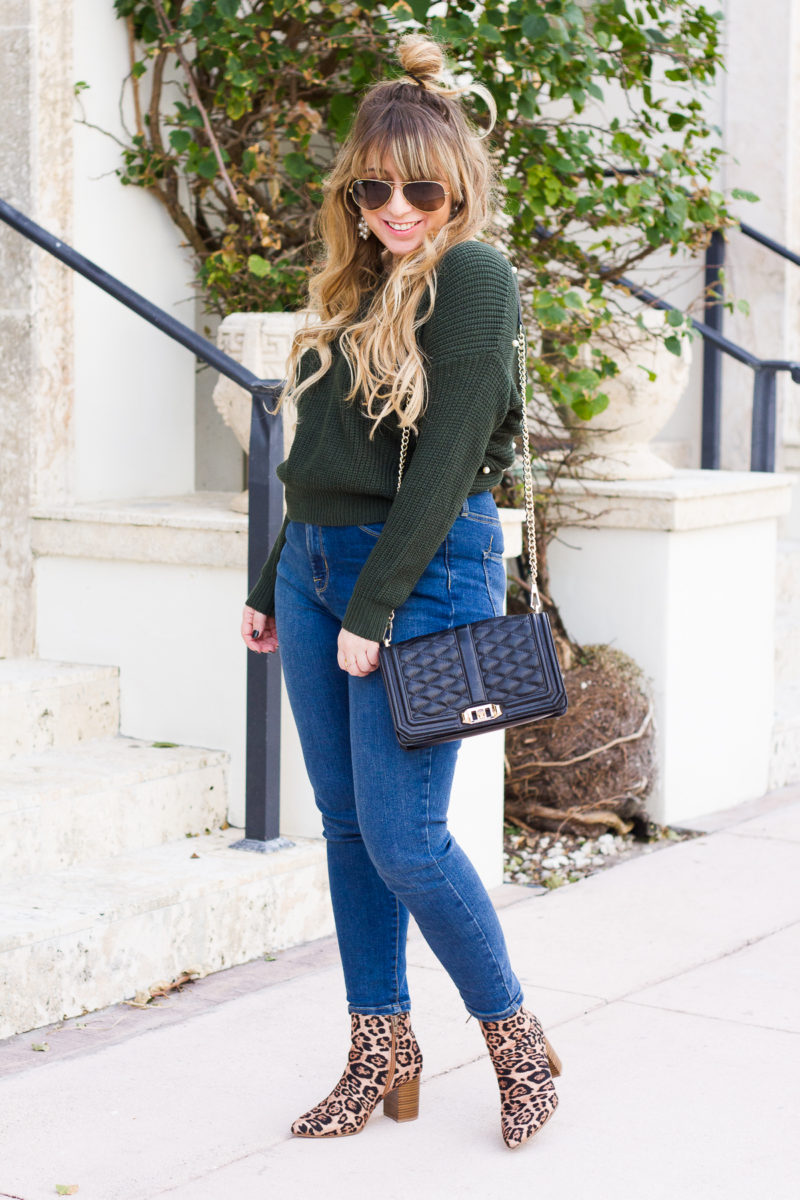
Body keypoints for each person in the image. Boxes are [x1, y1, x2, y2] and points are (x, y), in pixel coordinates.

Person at [240, 32, 561, 1149]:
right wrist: (270, 579)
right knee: (343, 827)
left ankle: (516, 1038)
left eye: (418, 188)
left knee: (406, 839)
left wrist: (371, 611)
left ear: (456, 185)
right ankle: (381, 1049)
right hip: (321, 570)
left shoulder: (472, 275)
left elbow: (444, 461)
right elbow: (313, 462)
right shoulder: (353, 280)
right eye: (371, 188)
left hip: (418, 576)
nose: (394, 209)